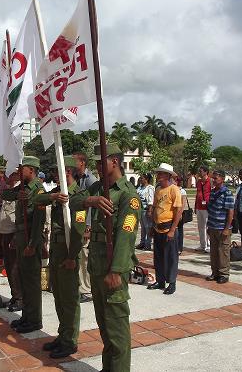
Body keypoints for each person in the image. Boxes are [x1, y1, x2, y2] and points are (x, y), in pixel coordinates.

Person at [70, 144, 141, 372]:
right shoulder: (98, 188)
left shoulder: (128, 195)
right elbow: (71, 202)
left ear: (115, 162)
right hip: (97, 265)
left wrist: (117, 270)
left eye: (102, 162)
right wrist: (89, 201)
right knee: (105, 327)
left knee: (117, 331)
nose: (98, 167)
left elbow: (126, 236)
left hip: (112, 268)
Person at [35, 156, 86, 359]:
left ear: (69, 172)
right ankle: (62, 335)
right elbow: (36, 199)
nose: (55, 174)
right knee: (58, 296)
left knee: (70, 300)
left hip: (68, 253)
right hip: (56, 251)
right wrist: (53, 198)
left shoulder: (78, 195)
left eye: (59, 171)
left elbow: (79, 228)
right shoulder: (57, 192)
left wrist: (73, 256)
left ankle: (70, 341)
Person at [3, 156, 46, 334]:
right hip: (21, 235)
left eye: (23, 168)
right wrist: (16, 194)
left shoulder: (38, 190)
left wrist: (33, 244)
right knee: (23, 277)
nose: (20, 172)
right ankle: (27, 316)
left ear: (32, 169)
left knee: (32, 282)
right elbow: (5, 195)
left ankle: (35, 319)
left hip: (30, 239)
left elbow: (39, 221)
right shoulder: (23, 188)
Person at [147, 164, 182, 295]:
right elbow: (155, 207)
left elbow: (178, 210)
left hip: (169, 227)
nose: (158, 176)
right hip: (157, 227)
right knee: (159, 256)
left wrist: (173, 230)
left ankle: (172, 282)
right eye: (158, 173)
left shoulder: (174, 190)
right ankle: (160, 280)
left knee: (171, 257)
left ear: (168, 175)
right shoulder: (158, 190)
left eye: (161, 174)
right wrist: (152, 226)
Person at [73, 152, 97, 304]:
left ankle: (86, 290)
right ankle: (80, 287)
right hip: (78, 223)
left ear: (82, 163)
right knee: (79, 256)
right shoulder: (77, 179)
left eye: (74, 161)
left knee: (84, 258)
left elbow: (93, 206)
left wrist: (88, 227)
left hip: (85, 226)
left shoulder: (91, 180)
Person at [0, 171, 23, 312]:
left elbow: (18, 216)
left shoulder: (20, 190)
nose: (5, 177)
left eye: (9, 174)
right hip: (5, 232)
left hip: (14, 233)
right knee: (9, 265)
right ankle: (15, 295)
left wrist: (15, 237)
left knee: (14, 267)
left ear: (16, 175)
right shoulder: (10, 190)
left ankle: (19, 297)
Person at [205, 170, 235, 284]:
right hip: (213, 226)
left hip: (222, 227)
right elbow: (211, 210)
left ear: (222, 179)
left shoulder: (226, 193)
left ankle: (224, 274)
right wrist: (209, 226)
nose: (213, 180)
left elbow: (230, 212)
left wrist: (227, 228)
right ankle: (215, 272)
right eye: (213, 178)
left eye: (216, 178)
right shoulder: (213, 192)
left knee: (223, 252)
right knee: (214, 252)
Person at [135, 173, 155, 251]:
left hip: (146, 210)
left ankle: (148, 244)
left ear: (146, 179)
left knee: (148, 227)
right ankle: (142, 242)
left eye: (142, 178)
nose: (140, 179)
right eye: (140, 178)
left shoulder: (150, 188)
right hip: (140, 209)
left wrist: (150, 210)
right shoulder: (140, 188)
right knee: (143, 227)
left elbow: (151, 200)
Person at [195, 166, 211, 253]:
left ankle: (208, 245)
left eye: (201, 171)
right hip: (199, 207)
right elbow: (197, 194)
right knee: (200, 227)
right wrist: (195, 206)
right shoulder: (199, 182)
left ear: (206, 172)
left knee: (207, 226)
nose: (199, 173)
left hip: (206, 207)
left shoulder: (210, 181)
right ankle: (202, 244)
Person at [174, 176, 188, 255]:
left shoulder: (182, 191)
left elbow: (183, 204)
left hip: (179, 213)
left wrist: (180, 213)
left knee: (179, 230)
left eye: (175, 180)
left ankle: (179, 247)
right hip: (173, 213)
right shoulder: (172, 189)